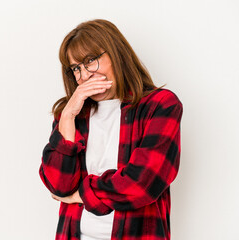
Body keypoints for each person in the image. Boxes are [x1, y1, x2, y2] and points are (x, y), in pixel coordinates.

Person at [39, 19, 183, 240]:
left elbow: (142, 184)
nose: (84, 75)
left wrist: (79, 195)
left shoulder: (160, 105)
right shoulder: (72, 115)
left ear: (116, 54)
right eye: (76, 68)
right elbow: (59, 186)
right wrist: (67, 116)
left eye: (90, 61)